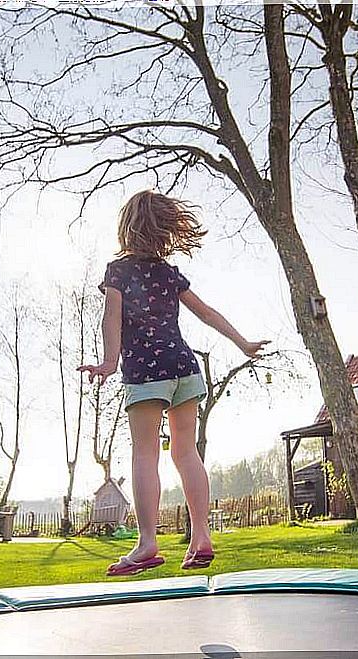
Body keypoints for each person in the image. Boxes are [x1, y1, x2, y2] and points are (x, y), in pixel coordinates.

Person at [78, 189, 269, 577]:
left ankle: (148, 542)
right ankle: (201, 535)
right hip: (184, 368)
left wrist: (109, 362)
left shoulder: (119, 271)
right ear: (162, 230)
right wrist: (243, 342)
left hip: (146, 373)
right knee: (186, 454)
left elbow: (110, 318)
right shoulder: (169, 273)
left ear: (127, 228)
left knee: (145, 453)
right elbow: (207, 313)